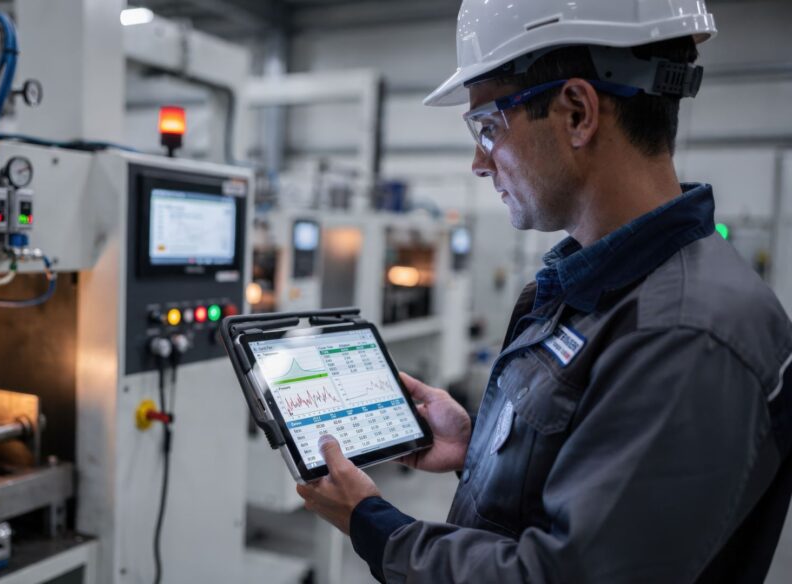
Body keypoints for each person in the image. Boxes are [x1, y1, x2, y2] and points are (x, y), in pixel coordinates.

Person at [295, 1, 792, 582]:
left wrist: (373, 524)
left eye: (488, 127)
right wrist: (479, 449)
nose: (479, 162)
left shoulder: (686, 333)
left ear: (577, 112)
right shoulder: (592, 287)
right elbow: (591, 484)